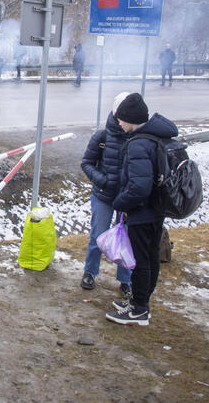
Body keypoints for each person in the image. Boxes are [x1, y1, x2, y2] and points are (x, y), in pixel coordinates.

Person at [106, 93, 178, 326]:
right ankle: (140, 301)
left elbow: (139, 187)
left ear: (131, 119)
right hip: (156, 210)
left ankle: (138, 310)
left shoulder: (138, 143)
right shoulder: (154, 137)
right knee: (149, 258)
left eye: (121, 119)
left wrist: (119, 203)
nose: (118, 123)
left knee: (141, 260)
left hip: (142, 212)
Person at [79, 92, 133, 298]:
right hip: (103, 195)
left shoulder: (137, 138)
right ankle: (90, 272)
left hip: (127, 199)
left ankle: (126, 280)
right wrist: (102, 180)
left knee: (126, 240)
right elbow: (86, 163)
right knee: (98, 235)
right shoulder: (101, 137)